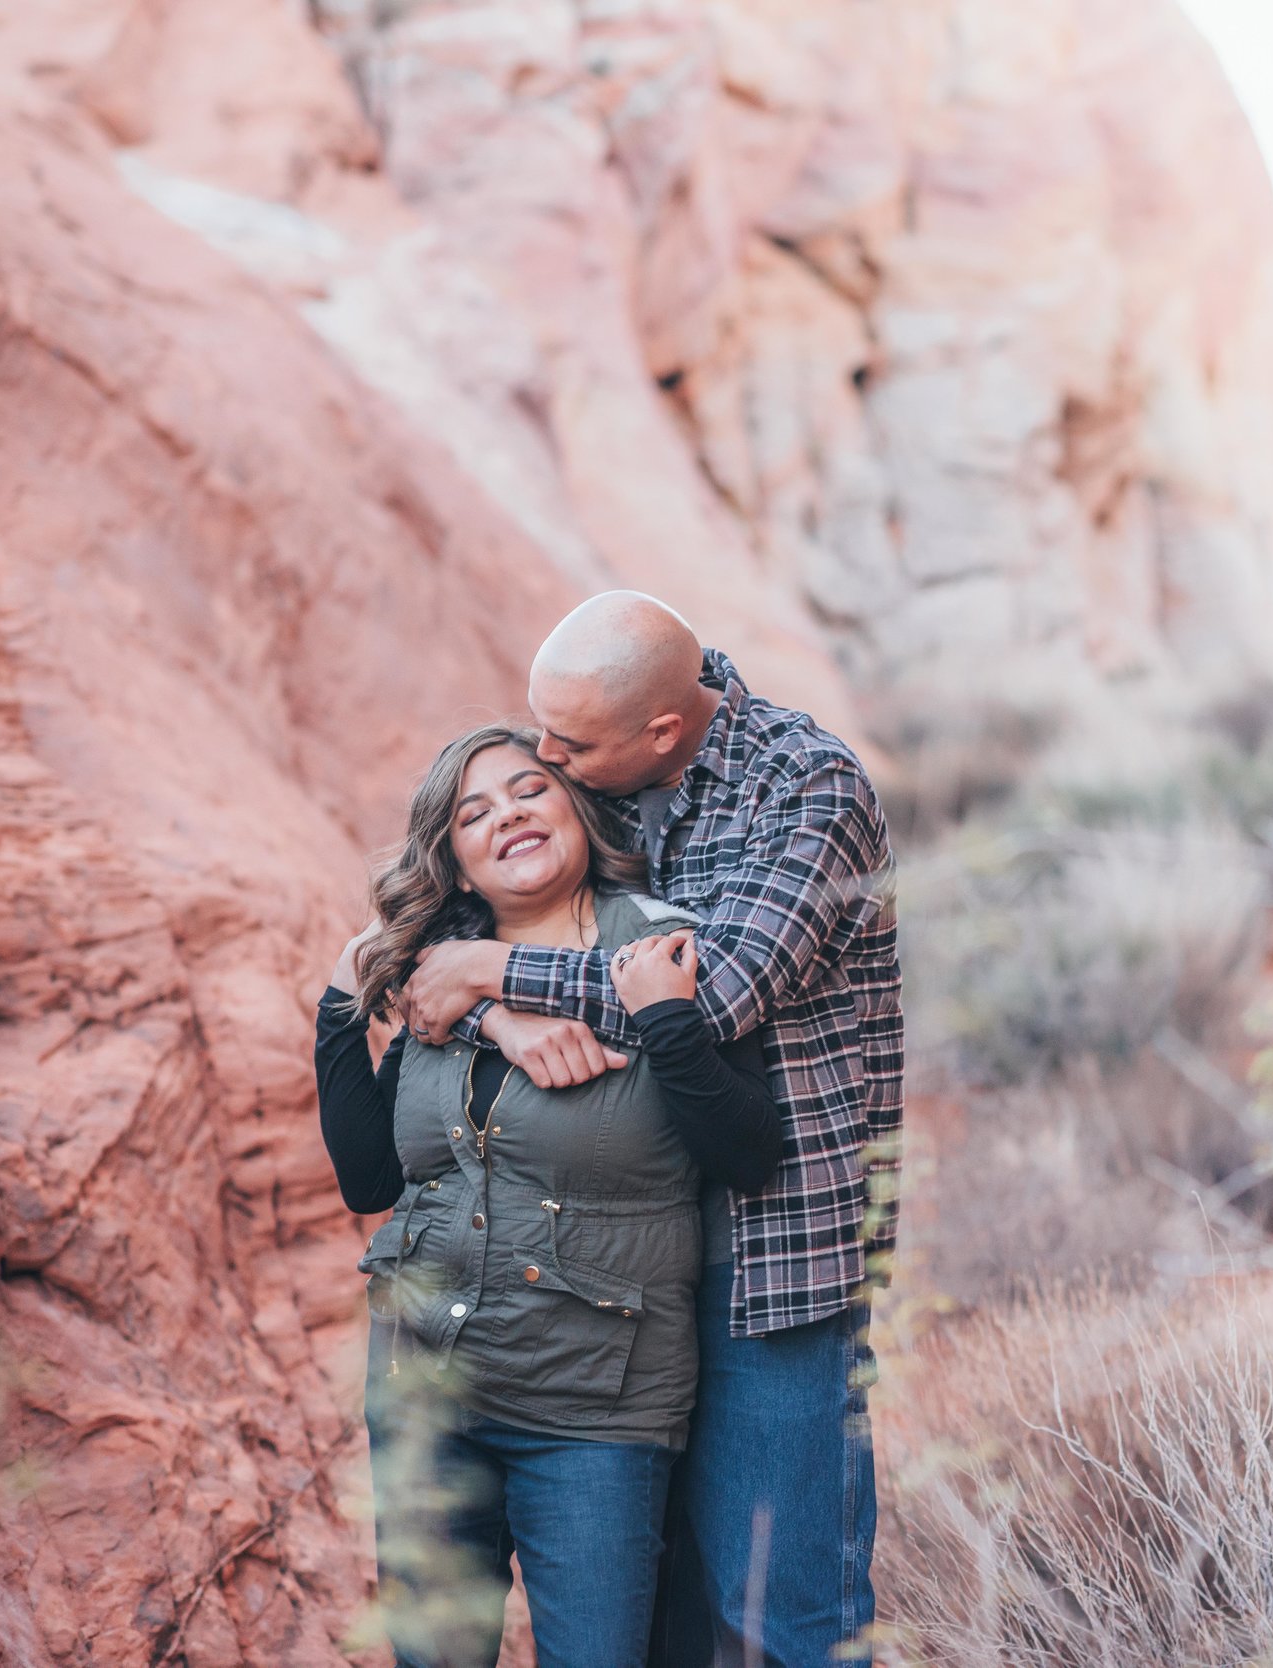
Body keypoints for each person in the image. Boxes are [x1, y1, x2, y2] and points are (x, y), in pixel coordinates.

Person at [400, 594, 902, 1668]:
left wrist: (492, 973)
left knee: (777, 1608)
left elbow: (711, 994)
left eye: (566, 747)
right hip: (612, 1270)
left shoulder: (808, 790)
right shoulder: (606, 751)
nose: (548, 761)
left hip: (769, 1252)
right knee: (655, 1607)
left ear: (663, 733)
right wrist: (491, 1007)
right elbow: (428, 936)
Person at [315, 723, 787, 1667]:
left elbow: (748, 1151)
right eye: (472, 813)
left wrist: (666, 1024)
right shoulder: (442, 975)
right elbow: (372, 1179)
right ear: (451, 858)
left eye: (528, 790)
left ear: (575, 804)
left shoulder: (662, 944)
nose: (508, 818)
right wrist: (347, 998)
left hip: (596, 1408)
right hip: (426, 1385)